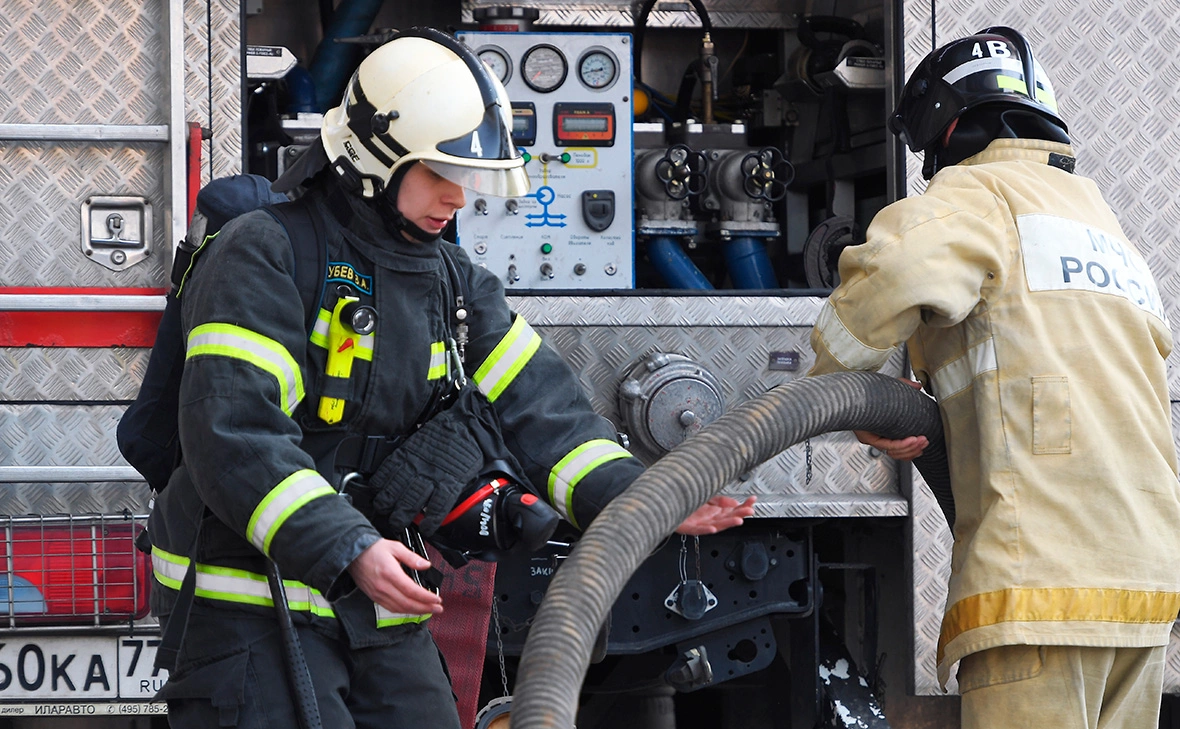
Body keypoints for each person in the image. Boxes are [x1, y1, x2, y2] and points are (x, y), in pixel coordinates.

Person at [146, 27, 754, 729]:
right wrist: (346, 546)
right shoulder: (266, 253)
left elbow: (541, 409)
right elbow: (234, 432)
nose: (457, 197)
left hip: (371, 591)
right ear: (376, 158)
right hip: (246, 602)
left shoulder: (452, 283)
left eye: (463, 177)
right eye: (439, 174)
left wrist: (646, 499)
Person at [808, 26, 1180, 729]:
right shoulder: (1103, 227)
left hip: (1043, 590)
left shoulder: (974, 195)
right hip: (1146, 592)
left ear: (944, 128)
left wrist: (839, 386)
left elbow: (885, 276)